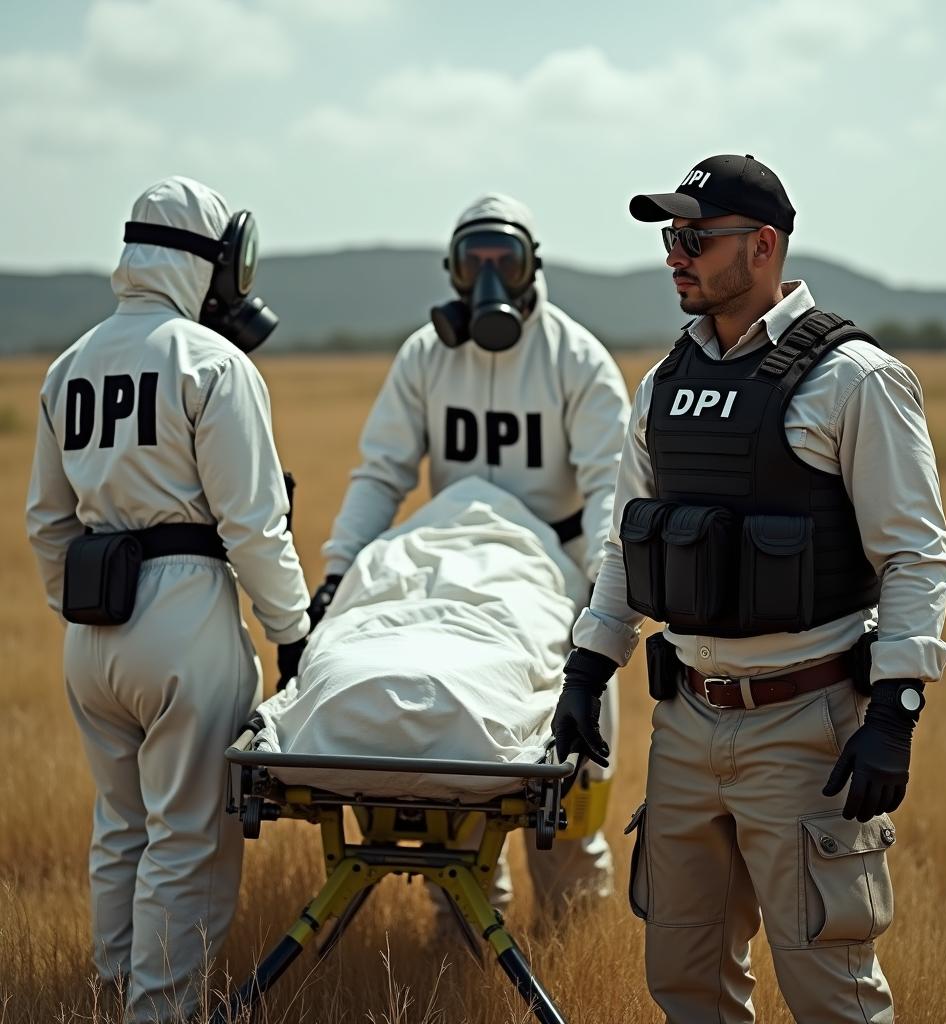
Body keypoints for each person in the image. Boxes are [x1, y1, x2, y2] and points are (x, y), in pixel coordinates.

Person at [553, 154, 946, 1023]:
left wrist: (896, 712)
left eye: (695, 237)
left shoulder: (857, 380)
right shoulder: (663, 387)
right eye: (670, 238)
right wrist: (586, 671)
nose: (675, 256)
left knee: (831, 994)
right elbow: (630, 545)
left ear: (764, 245)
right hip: (687, 725)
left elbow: (915, 557)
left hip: (808, 730)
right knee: (687, 983)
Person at [26, 176, 310, 1023]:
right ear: (209, 262)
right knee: (187, 839)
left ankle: (109, 992)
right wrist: (293, 633)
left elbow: (47, 525)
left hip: (93, 625)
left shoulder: (68, 365)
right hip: (186, 617)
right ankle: (162, 1013)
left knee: (121, 830)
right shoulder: (212, 362)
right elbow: (253, 525)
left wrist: (83, 611)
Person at [312, 193, 631, 910]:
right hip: (455, 566)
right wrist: (339, 574)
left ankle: (573, 933)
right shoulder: (426, 356)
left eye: (505, 259)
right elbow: (383, 471)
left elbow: (612, 488)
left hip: (554, 569)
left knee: (574, 793)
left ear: (531, 268)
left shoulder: (575, 359)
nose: (488, 275)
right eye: (472, 260)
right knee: (451, 770)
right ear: (452, 271)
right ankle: (467, 930)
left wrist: (599, 602)